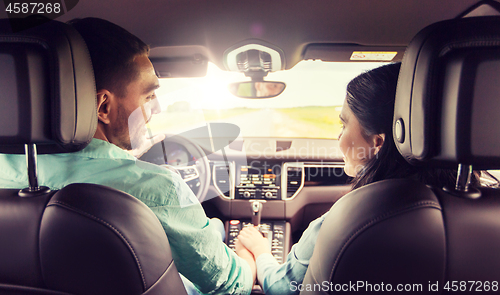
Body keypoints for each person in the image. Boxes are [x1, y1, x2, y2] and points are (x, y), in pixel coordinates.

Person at [0, 18, 255, 295]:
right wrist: (251, 256)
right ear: (104, 107)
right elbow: (231, 286)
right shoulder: (155, 189)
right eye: (148, 97)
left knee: (216, 227)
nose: (155, 109)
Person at [235, 62, 479, 295]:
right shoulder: (481, 209)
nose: (339, 138)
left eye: (343, 125)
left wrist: (261, 252)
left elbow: (281, 288)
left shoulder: (346, 222)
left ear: (377, 142)